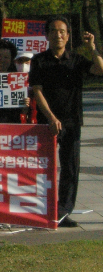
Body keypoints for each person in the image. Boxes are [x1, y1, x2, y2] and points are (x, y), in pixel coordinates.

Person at [29, 17, 103, 227]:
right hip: (47, 123)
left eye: (62, 31)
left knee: (70, 168)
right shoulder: (39, 60)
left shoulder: (77, 59)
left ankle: (62, 211)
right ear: (47, 35)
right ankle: (42, 208)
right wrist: (51, 117)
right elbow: (37, 91)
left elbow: (100, 69)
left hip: (71, 122)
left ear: (68, 36)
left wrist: (93, 48)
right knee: (43, 168)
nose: (58, 35)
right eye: (53, 31)